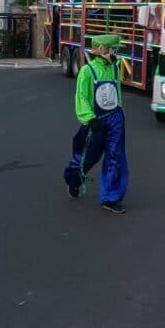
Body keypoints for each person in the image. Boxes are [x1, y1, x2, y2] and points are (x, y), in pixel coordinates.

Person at [63, 35, 129, 214]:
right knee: (87, 158)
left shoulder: (115, 69)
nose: (116, 52)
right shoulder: (86, 71)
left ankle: (111, 198)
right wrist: (90, 119)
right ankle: (73, 180)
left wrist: (119, 113)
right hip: (95, 120)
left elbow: (116, 93)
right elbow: (82, 97)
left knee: (116, 157)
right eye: (112, 49)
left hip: (115, 118)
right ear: (100, 49)